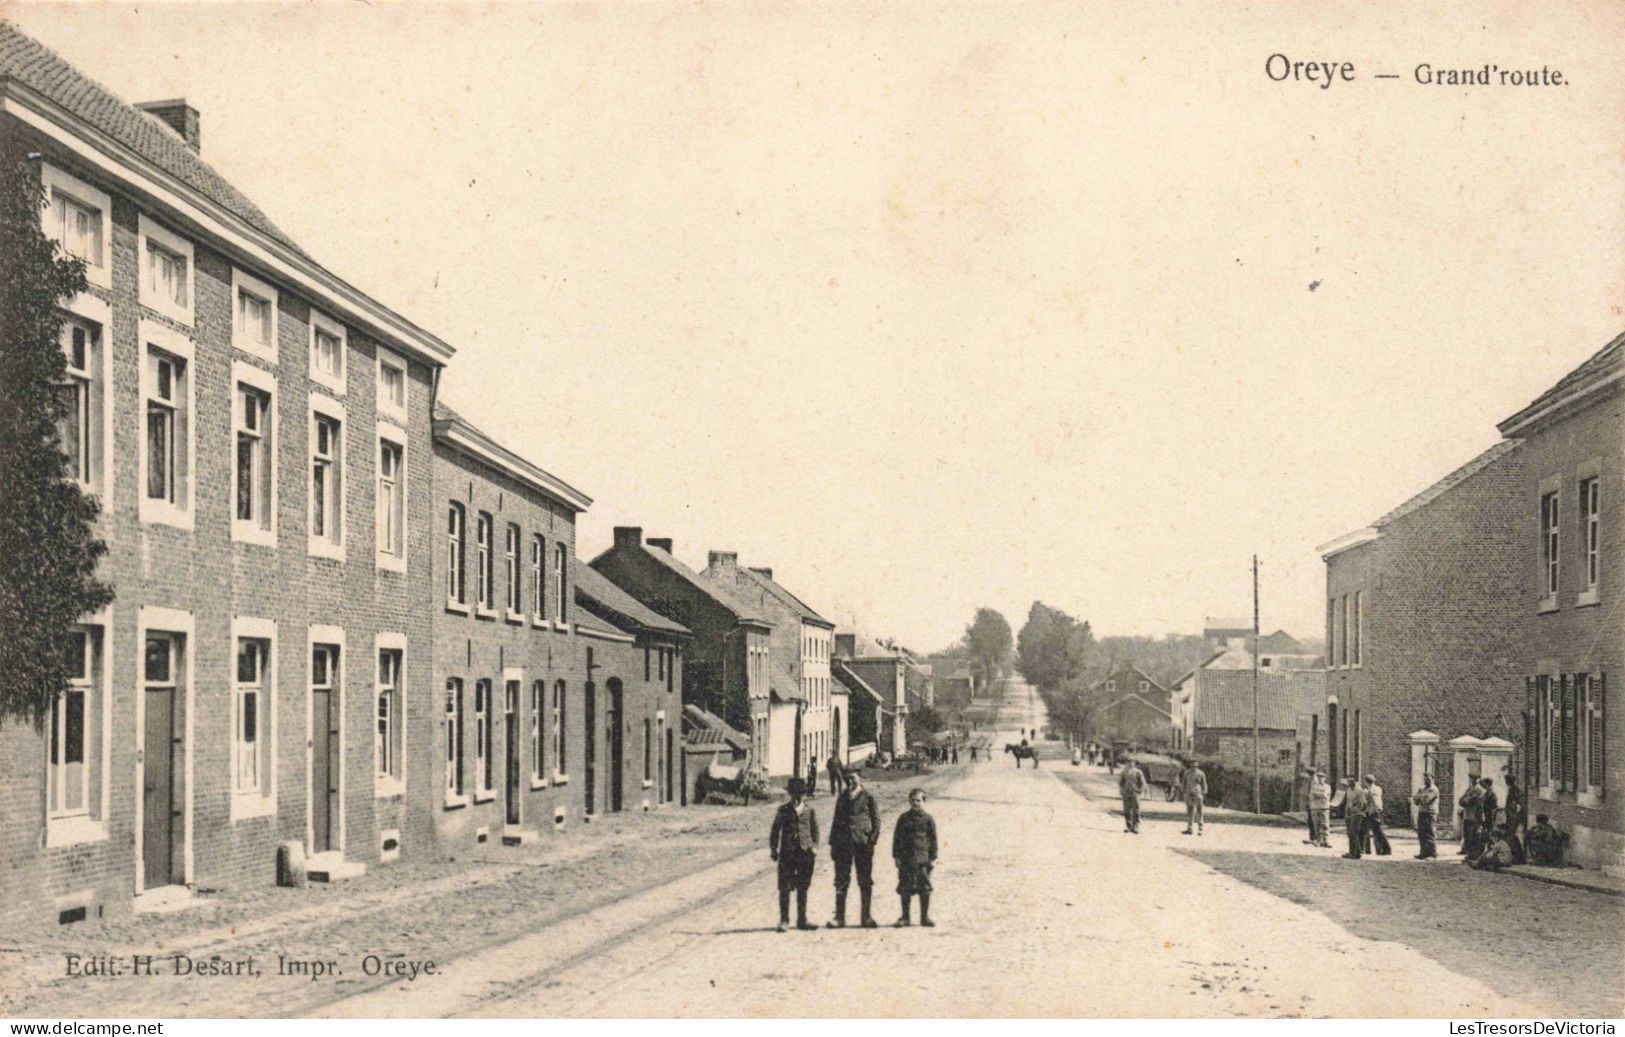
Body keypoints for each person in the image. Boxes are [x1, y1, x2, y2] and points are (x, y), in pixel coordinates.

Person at [827, 769, 881, 929]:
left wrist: (871, 840)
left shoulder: (868, 797)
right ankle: (839, 917)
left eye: (853, 779)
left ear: (860, 778)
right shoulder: (842, 797)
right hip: (843, 844)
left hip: (862, 844)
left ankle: (866, 917)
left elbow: (876, 820)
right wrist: (833, 844)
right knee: (841, 880)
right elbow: (836, 821)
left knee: (864, 879)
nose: (850, 782)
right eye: (847, 779)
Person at [769, 779, 820, 932]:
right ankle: (784, 920)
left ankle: (802, 920)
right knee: (784, 887)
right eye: (794, 795)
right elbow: (775, 830)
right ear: (790, 794)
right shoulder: (783, 810)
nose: (797, 798)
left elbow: (815, 829)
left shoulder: (809, 810)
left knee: (803, 887)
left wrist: (815, 846)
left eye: (801, 795)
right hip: (788, 852)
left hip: (805, 852)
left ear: (804, 795)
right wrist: (774, 848)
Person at [892, 788, 938, 927]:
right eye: (912, 800)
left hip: (923, 859)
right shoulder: (903, 818)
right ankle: (905, 917)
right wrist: (896, 857)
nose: (915, 803)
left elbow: (933, 839)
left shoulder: (928, 819)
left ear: (924, 801)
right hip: (906, 859)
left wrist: (934, 857)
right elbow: (897, 839)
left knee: (924, 887)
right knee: (905, 887)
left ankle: (925, 918)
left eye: (918, 800)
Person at [1412, 772, 1439, 859]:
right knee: (1421, 833)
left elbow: (1427, 800)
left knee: (1430, 833)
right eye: (1425, 779)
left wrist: (1420, 796)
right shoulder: (1422, 789)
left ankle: (1432, 853)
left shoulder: (1434, 789)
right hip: (1422, 812)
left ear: (1433, 779)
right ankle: (1423, 852)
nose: (1426, 780)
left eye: (1428, 778)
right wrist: (1420, 797)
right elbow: (1415, 800)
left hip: (1430, 813)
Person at [1363, 775, 1392, 856]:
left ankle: (1386, 849)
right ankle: (1374, 850)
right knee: (1372, 831)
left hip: (1374, 813)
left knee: (1377, 832)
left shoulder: (1371, 790)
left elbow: (1374, 803)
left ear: (1366, 782)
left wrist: (1371, 811)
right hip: (1373, 812)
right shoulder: (1377, 788)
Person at [1118, 756, 1146, 834]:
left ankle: (1136, 827)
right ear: (1126, 763)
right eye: (1129, 762)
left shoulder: (1138, 772)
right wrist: (1121, 790)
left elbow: (1143, 783)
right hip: (1126, 793)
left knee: (1136, 810)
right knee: (1126, 810)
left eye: (1132, 762)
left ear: (1134, 763)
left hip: (1135, 793)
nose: (1130, 763)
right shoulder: (1124, 771)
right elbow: (1121, 782)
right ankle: (1129, 826)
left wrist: (1139, 791)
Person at [1458, 780, 1485, 860]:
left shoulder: (1479, 789)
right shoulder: (1470, 789)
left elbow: (1471, 801)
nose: (1472, 780)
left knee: (1473, 836)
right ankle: (1469, 853)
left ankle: (1473, 854)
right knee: (1467, 836)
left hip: (1474, 816)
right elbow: (1461, 801)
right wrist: (1465, 800)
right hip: (1467, 815)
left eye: (1474, 778)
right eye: (1471, 777)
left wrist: (1466, 800)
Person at [1180, 758, 1208, 836]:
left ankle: (1200, 828)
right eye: (1192, 765)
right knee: (1190, 811)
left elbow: (1204, 783)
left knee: (1199, 811)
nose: (1193, 767)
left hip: (1198, 793)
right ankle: (1190, 828)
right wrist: (1183, 791)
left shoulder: (1201, 773)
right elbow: (1183, 782)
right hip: (1189, 793)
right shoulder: (1187, 773)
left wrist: (1203, 792)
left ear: (1197, 765)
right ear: (1190, 765)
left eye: (1195, 766)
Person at [1341, 778, 1366, 860]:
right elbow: (1348, 803)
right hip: (1350, 815)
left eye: (1350, 782)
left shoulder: (1359, 791)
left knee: (1353, 833)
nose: (1348, 784)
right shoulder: (1349, 790)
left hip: (1357, 814)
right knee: (1350, 834)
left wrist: (1357, 811)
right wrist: (1347, 813)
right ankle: (1353, 852)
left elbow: (1363, 803)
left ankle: (1355, 853)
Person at [1307, 770, 1332, 848]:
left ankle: (1325, 841)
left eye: (1322, 777)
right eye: (1319, 777)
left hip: (1324, 807)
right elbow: (1311, 796)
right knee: (1316, 825)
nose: (1320, 779)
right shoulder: (1314, 786)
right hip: (1315, 807)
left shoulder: (1327, 786)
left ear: (1325, 778)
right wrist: (1320, 794)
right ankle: (1318, 840)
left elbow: (1326, 795)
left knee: (1325, 825)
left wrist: (1318, 794)